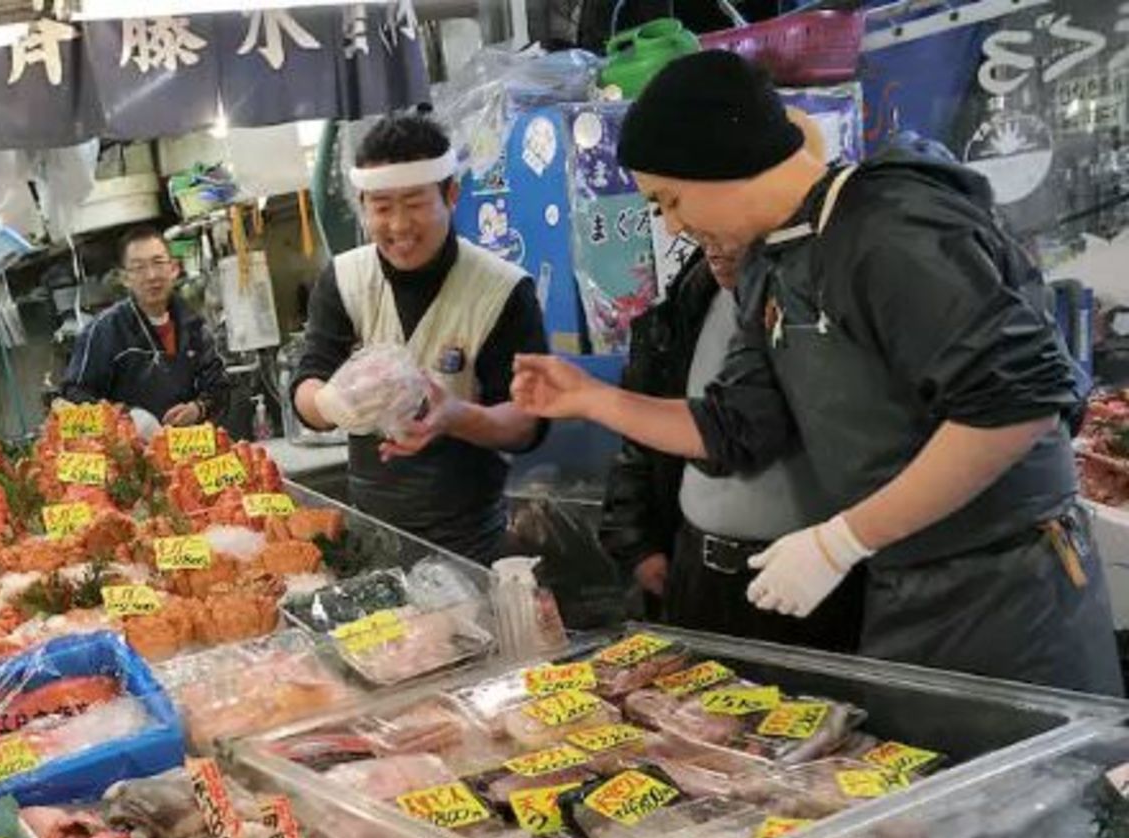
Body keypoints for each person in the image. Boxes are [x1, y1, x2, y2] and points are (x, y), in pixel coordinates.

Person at [514, 51, 1117, 694]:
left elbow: (1013, 407)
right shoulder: (779, 263)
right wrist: (589, 398)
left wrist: (843, 539)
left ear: (717, 161)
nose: (673, 225)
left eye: (670, 199)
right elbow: (734, 427)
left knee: (1032, 785)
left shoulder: (890, 226)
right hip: (901, 581)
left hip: (1008, 585)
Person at [290, 110, 548, 565]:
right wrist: (332, 402)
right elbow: (306, 384)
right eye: (382, 207)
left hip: (472, 539)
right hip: (371, 535)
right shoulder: (345, 280)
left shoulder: (502, 288)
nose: (399, 225)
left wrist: (455, 416)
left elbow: (528, 422)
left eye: (414, 203)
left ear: (451, 194)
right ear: (363, 206)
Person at [598, 238, 863, 650]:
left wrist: (585, 397)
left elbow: (734, 430)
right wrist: (634, 539)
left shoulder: (819, 292)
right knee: (690, 709)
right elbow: (644, 428)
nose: (710, 244)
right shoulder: (692, 295)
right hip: (695, 571)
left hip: (811, 576)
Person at [59, 225, 227, 427]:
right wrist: (125, 419)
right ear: (125, 278)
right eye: (139, 268)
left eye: (158, 263)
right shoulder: (104, 330)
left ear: (174, 268)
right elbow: (74, 395)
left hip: (187, 448)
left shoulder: (194, 325)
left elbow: (218, 387)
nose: (151, 276)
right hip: (129, 452)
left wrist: (198, 408)